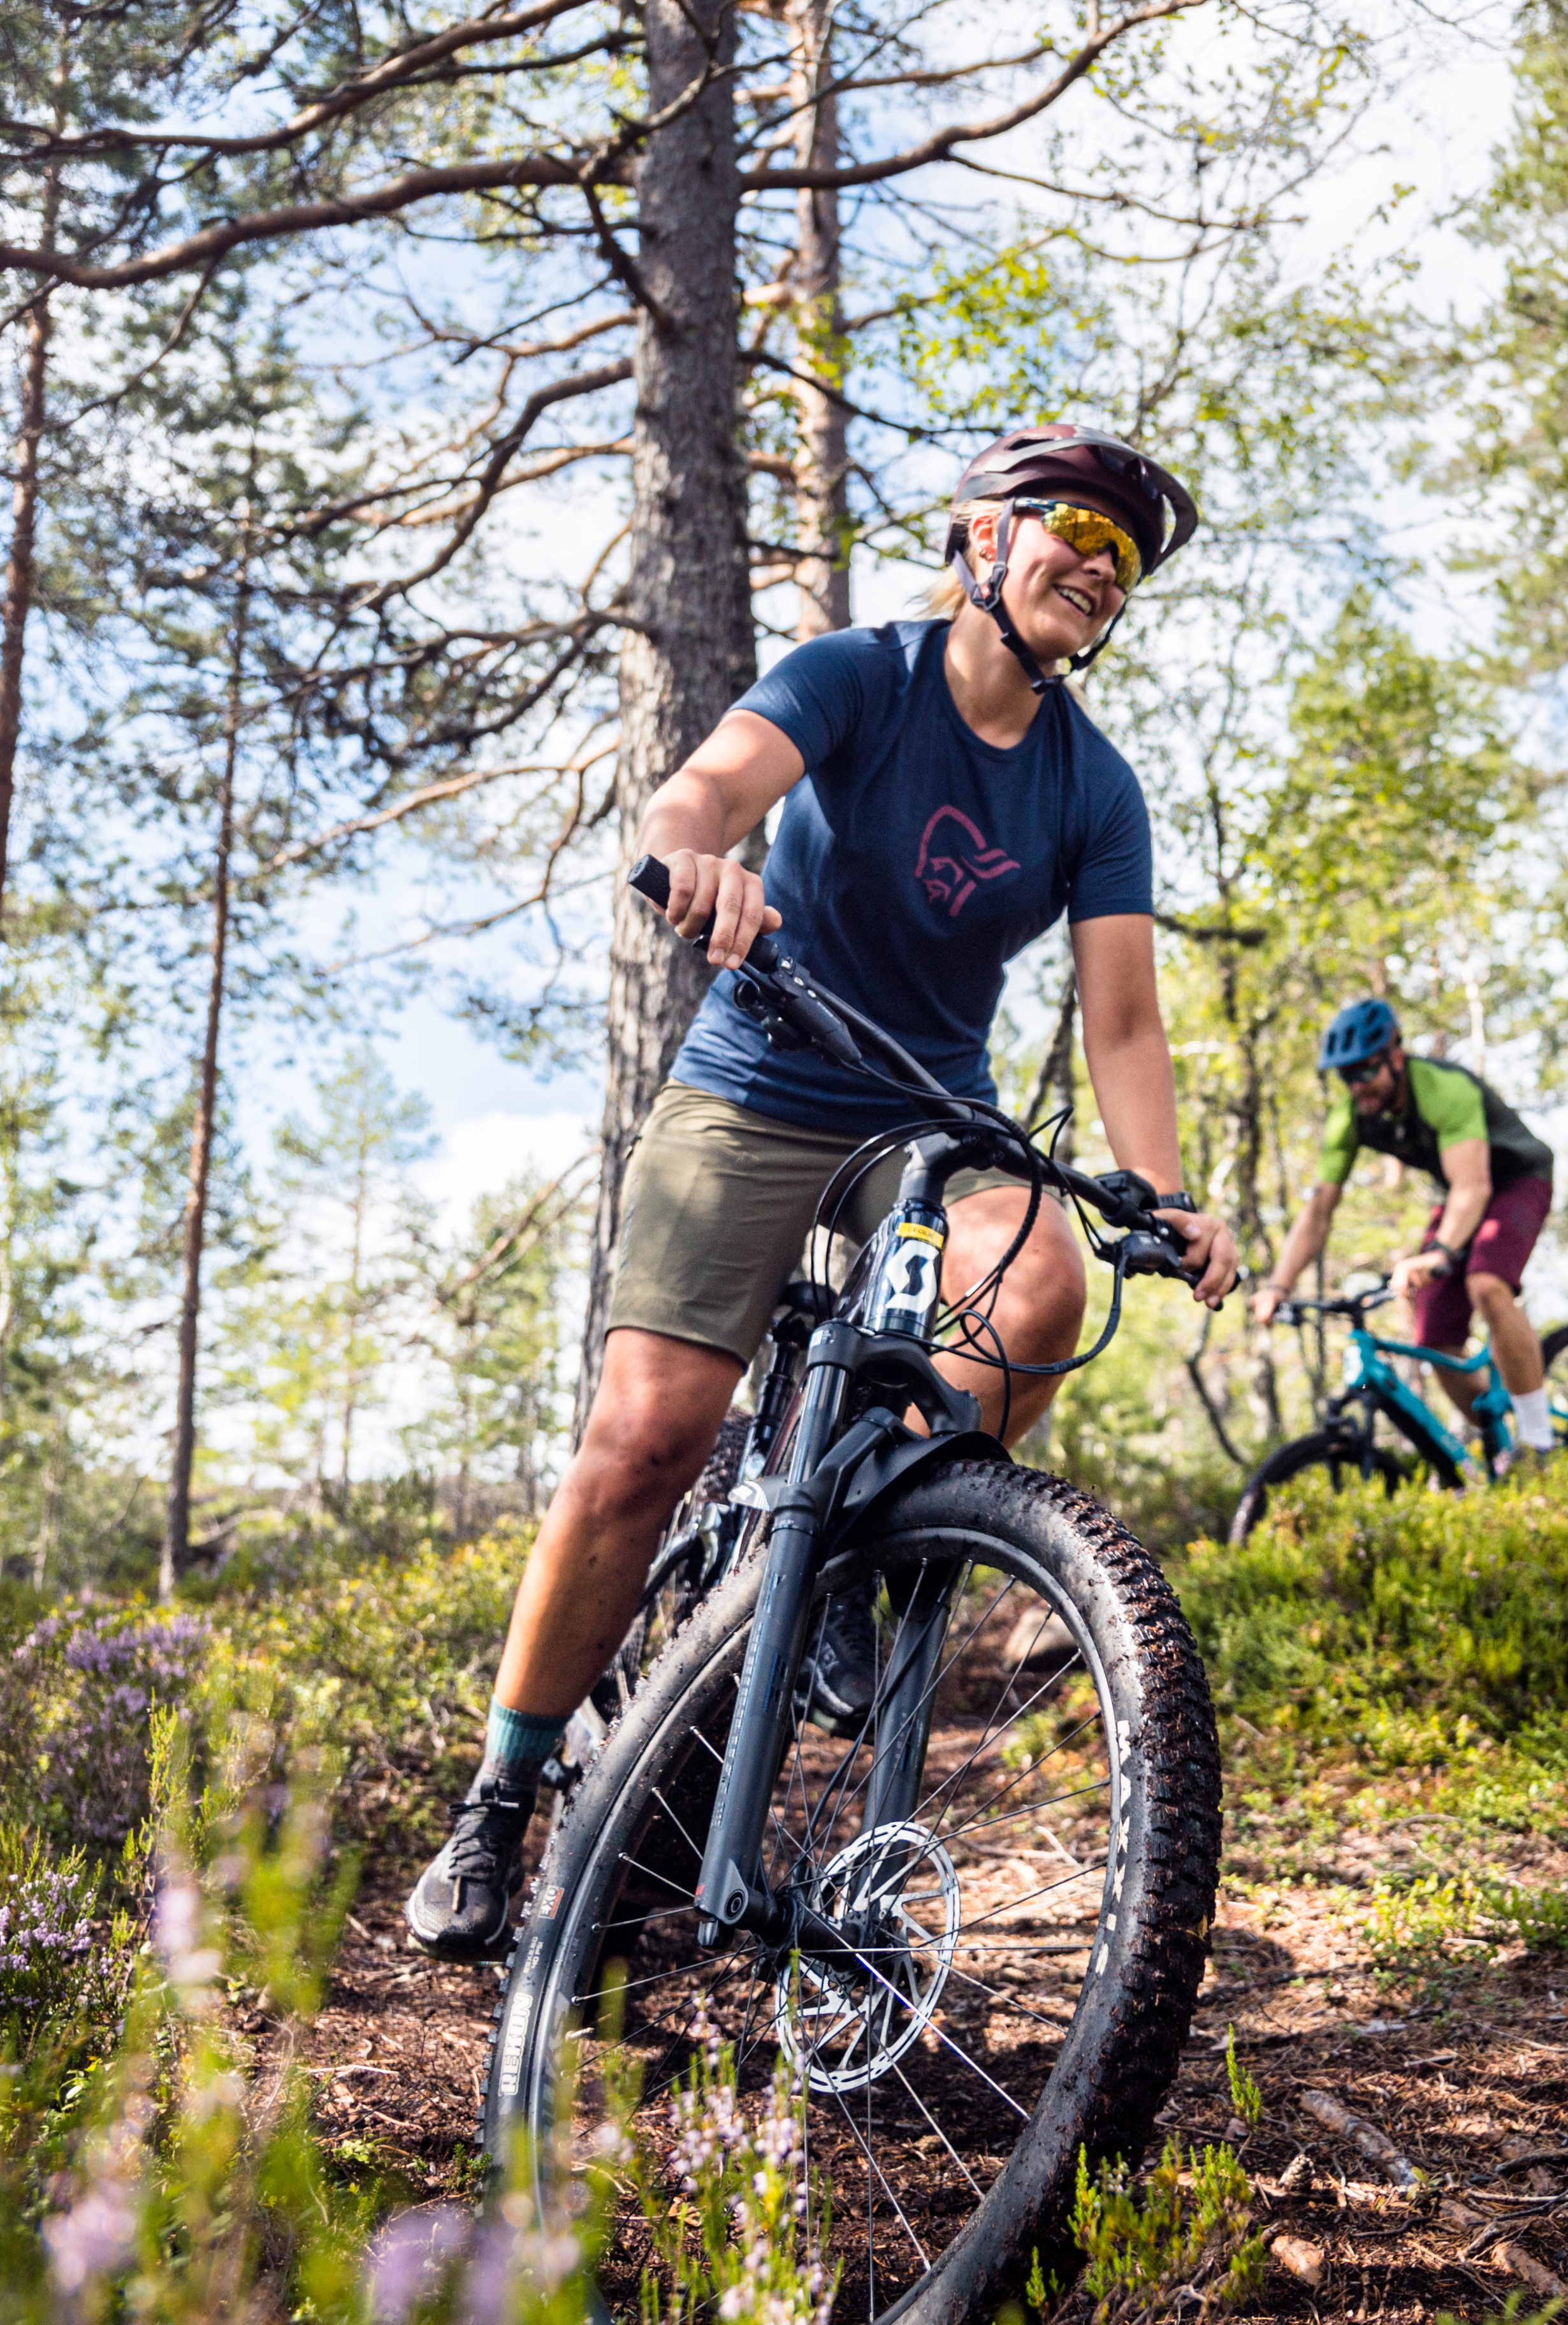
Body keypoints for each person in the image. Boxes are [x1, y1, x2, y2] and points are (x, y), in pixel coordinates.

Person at [407, 423, 1242, 1963]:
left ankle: (873, 1543)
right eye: (1072, 529)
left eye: (1124, 560)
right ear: (980, 538)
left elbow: (1122, 1019)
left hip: (924, 1112)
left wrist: (1167, 1191)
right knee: (647, 1435)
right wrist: (696, 862)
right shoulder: (862, 674)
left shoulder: (1091, 786)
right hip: (763, 1078)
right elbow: (705, 789)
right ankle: (504, 1796)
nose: (1100, 569)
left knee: (1042, 1280)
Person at [1251, 998, 1559, 1462]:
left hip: (1516, 1180)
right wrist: (1279, 1284)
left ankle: (1541, 1443)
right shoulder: (1349, 1117)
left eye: (1364, 1072)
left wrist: (1437, 1253)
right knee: (1433, 1338)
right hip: (1458, 1191)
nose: (1357, 1087)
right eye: (1345, 1076)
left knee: (1487, 1284)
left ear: (1396, 1057)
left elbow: (1474, 1187)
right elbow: (1318, 1211)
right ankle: (1502, 1446)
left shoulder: (1443, 1089)